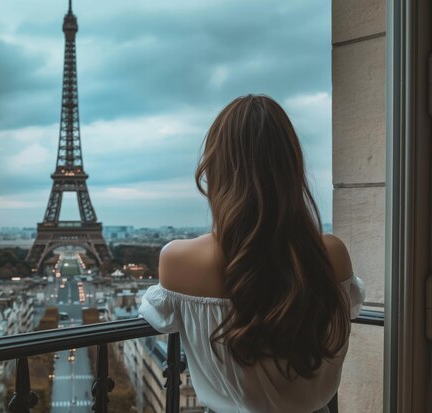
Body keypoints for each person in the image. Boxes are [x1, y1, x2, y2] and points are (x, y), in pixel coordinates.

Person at [138, 95, 365, 413]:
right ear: (292, 165)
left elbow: (158, 319)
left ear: (215, 167)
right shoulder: (333, 255)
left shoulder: (179, 261)